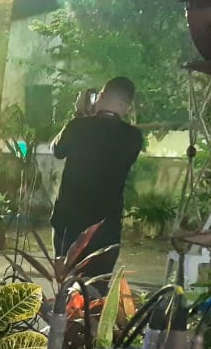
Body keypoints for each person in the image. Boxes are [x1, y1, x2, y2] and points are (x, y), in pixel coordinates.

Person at [51, 77, 144, 285]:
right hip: (106, 226)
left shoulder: (78, 126)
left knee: (67, 287)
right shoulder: (133, 137)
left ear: (100, 97)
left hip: (69, 222)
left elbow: (57, 150)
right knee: (97, 288)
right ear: (127, 107)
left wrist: (79, 115)